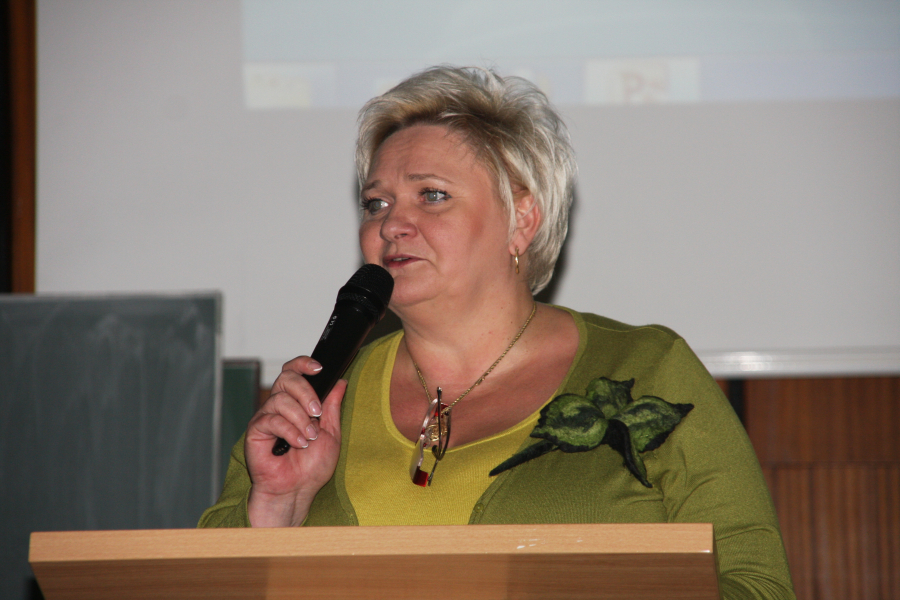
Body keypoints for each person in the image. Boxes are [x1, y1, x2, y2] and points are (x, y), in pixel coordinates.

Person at [199, 66, 795, 599]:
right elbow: (202, 583)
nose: (393, 224)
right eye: (376, 203)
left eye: (432, 196)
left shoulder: (648, 369)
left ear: (522, 220)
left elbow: (758, 586)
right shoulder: (316, 398)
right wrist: (278, 506)